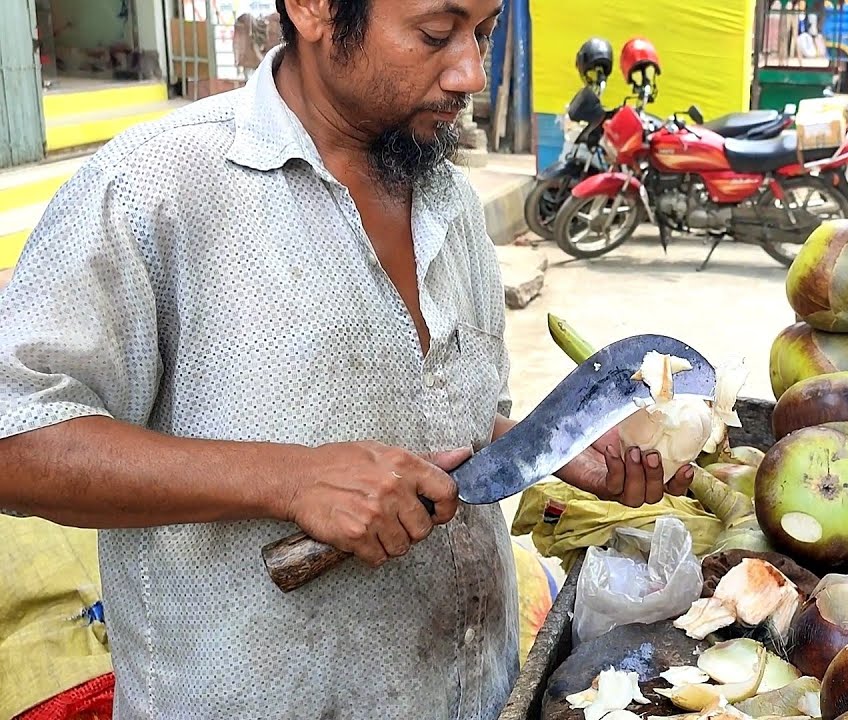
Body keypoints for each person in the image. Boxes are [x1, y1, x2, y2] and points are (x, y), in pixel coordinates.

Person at [0, 0, 696, 717]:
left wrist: (553, 448)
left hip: (476, 695)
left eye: (485, 34)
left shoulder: (447, 196)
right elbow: (16, 439)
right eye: (436, 34)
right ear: (314, 9)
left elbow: (445, 412)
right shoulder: (155, 190)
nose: (471, 73)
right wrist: (290, 481)